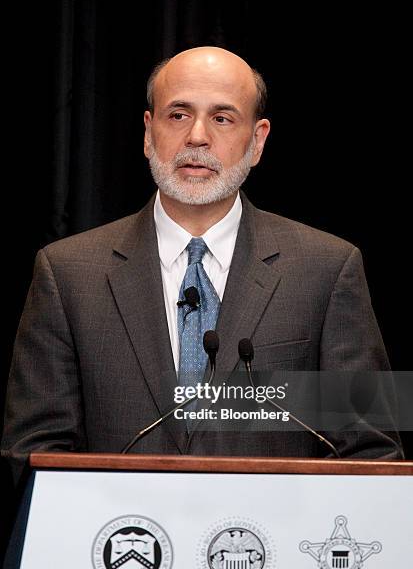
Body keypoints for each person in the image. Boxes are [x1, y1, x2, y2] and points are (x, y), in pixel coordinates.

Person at [0, 47, 403, 487]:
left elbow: (370, 455)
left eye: (222, 118)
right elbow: (36, 454)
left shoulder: (327, 269)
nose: (197, 136)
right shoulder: (67, 273)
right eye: (178, 115)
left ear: (258, 141)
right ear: (149, 133)